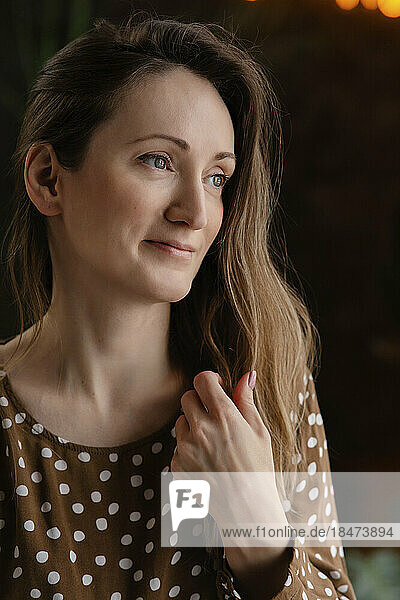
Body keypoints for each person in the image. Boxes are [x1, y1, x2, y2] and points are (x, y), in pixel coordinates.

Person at [0, 11, 357, 600]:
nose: (197, 211)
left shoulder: (267, 397)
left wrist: (261, 539)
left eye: (218, 177)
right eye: (158, 160)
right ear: (48, 179)